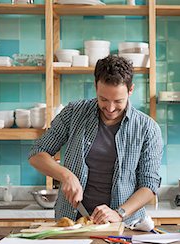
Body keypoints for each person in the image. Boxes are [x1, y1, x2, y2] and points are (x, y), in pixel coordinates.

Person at [28, 55, 163, 225]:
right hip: (72, 222)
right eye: (104, 99)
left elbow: (149, 185)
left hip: (123, 226)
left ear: (130, 90)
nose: (111, 108)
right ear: (96, 87)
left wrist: (119, 213)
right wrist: (66, 176)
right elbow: (36, 154)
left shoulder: (147, 128)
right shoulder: (73, 113)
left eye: (118, 101)